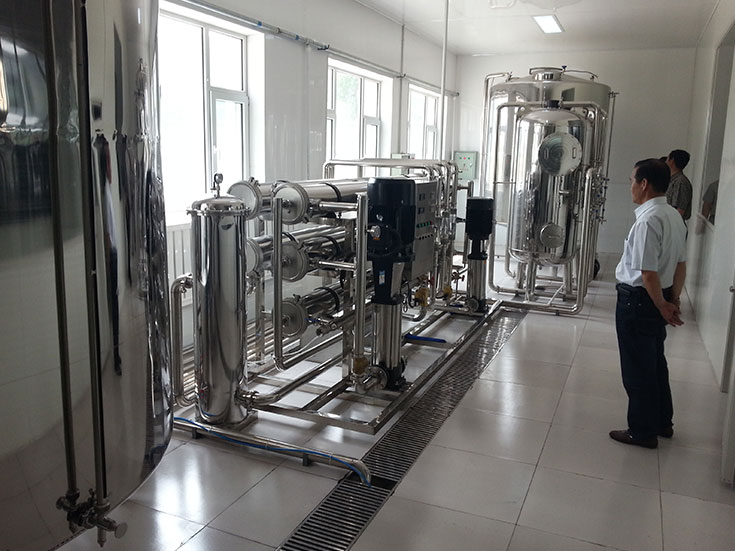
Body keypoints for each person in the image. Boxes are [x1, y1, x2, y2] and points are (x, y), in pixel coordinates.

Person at [610, 158, 687, 449]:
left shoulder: (648, 220)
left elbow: (648, 273)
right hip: (659, 296)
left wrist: (662, 305)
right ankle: (662, 422)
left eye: (632, 180)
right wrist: (673, 298)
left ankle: (642, 431)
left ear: (644, 184)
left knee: (637, 369)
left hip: (640, 301)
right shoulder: (673, 216)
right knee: (655, 363)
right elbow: (681, 264)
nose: (630, 186)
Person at [665, 149, 693, 222]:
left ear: (672, 160)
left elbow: (679, 211)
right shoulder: (673, 180)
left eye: (667, 159)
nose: (665, 162)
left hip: (673, 224)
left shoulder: (680, 182)